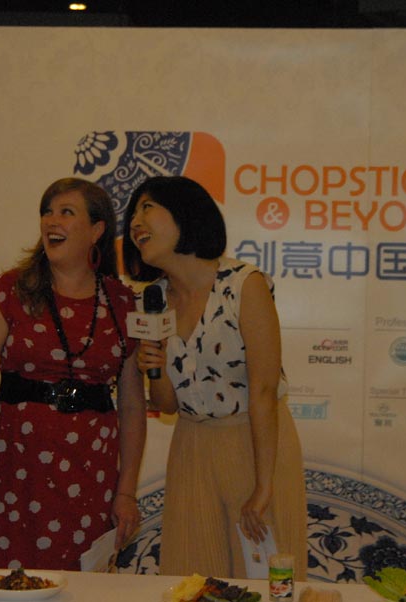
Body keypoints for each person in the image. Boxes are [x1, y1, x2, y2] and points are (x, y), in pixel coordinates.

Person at [0, 177, 146, 570]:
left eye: (66, 213)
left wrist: (125, 493)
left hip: (92, 472)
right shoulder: (9, 290)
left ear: (97, 230)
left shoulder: (123, 302)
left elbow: (132, 405)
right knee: (10, 582)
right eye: (47, 212)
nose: (51, 221)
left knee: (83, 583)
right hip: (20, 472)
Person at [122, 175, 307, 580]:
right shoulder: (150, 301)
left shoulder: (244, 284)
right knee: (193, 575)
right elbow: (167, 405)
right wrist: (150, 366)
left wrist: (263, 486)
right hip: (191, 445)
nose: (135, 221)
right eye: (133, 213)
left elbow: (261, 390)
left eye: (147, 207)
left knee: (263, 578)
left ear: (186, 213)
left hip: (254, 440)